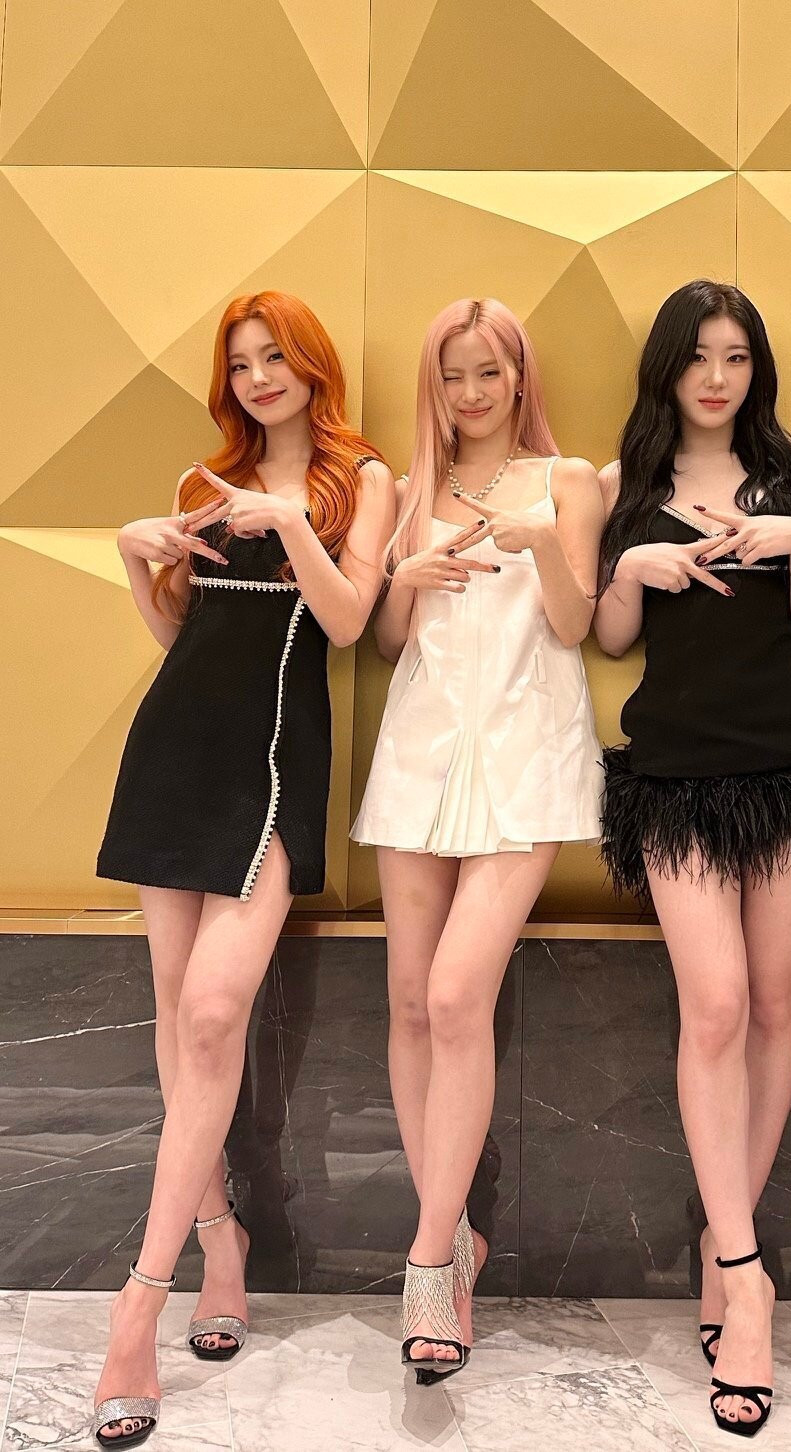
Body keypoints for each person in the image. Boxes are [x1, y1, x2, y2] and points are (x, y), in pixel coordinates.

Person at [91, 291, 394, 1446]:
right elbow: (183, 636)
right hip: (174, 750)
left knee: (215, 1012)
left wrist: (292, 521)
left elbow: (350, 620)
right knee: (180, 1018)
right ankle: (221, 1240)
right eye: (242, 363)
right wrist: (136, 561)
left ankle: (138, 1302)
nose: (260, 377)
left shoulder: (361, 480)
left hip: (273, 765)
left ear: (312, 365)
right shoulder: (203, 480)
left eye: (276, 357)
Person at [594, 279, 791, 1438]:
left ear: (756, 368)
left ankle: (730, 1257)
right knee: (710, 1004)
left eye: (736, 357)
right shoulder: (622, 486)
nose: (716, 378)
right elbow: (610, 637)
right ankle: (746, 1272)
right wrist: (632, 570)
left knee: (771, 1002)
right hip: (674, 774)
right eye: (698, 357)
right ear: (666, 367)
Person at [352, 297, 603, 1381]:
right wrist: (400, 584)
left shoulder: (568, 479)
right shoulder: (414, 489)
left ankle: (423, 1260)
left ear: (518, 376)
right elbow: (389, 642)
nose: (469, 393)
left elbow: (577, 623)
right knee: (412, 1003)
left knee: (457, 996)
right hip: (419, 751)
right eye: (451, 374)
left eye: (487, 372)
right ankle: (452, 1241)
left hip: (525, 755)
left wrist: (539, 538)